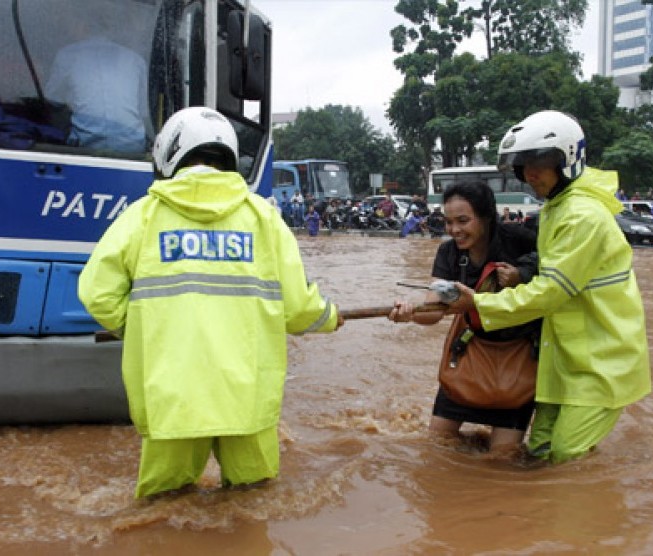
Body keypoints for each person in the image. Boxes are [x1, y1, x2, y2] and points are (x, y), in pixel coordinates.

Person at [78, 107, 343, 498]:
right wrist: (330, 317)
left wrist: (137, 328)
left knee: (162, 507)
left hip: (173, 396)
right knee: (254, 502)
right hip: (248, 398)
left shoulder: (143, 217)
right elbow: (298, 307)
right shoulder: (263, 218)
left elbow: (97, 294)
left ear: (170, 153)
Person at [423, 110, 651, 464]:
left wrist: (479, 303)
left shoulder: (581, 217)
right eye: (523, 165)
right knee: (538, 454)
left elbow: (548, 292)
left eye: (540, 162)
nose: (530, 174)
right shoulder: (555, 210)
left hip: (599, 362)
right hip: (558, 358)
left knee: (565, 457)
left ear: (568, 159)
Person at [389, 180, 540, 452]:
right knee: (437, 446)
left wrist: (521, 274)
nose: (454, 230)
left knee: (502, 460)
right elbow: (433, 309)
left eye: (463, 221)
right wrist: (410, 312)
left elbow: (555, 272)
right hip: (468, 353)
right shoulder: (448, 252)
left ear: (486, 217)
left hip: (519, 357)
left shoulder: (520, 241)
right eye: (448, 222)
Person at [45, 19, 151, 153]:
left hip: (84, 147)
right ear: (111, 32)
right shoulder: (136, 60)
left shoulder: (68, 55)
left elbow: (53, 101)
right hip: (132, 150)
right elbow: (143, 113)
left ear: (82, 27)